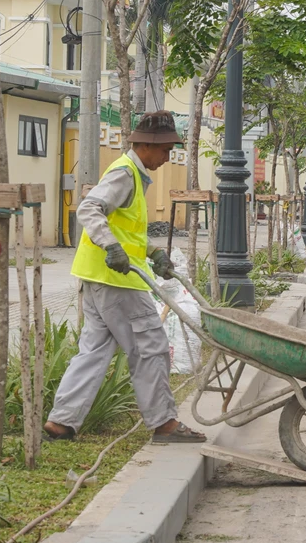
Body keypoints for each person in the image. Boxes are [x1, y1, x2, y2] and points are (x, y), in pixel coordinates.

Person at [44, 111, 206, 444]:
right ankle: (164, 423)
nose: (167, 157)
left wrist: (152, 252)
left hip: (98, 276)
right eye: (165, 150)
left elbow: (125, 228)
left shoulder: (131, 173)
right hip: (117, 280)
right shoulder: (125, 173)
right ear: (146, 145)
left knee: (94, 350)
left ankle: (61, 422)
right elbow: (89, 209)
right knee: (151, 346)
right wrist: (112, 247)